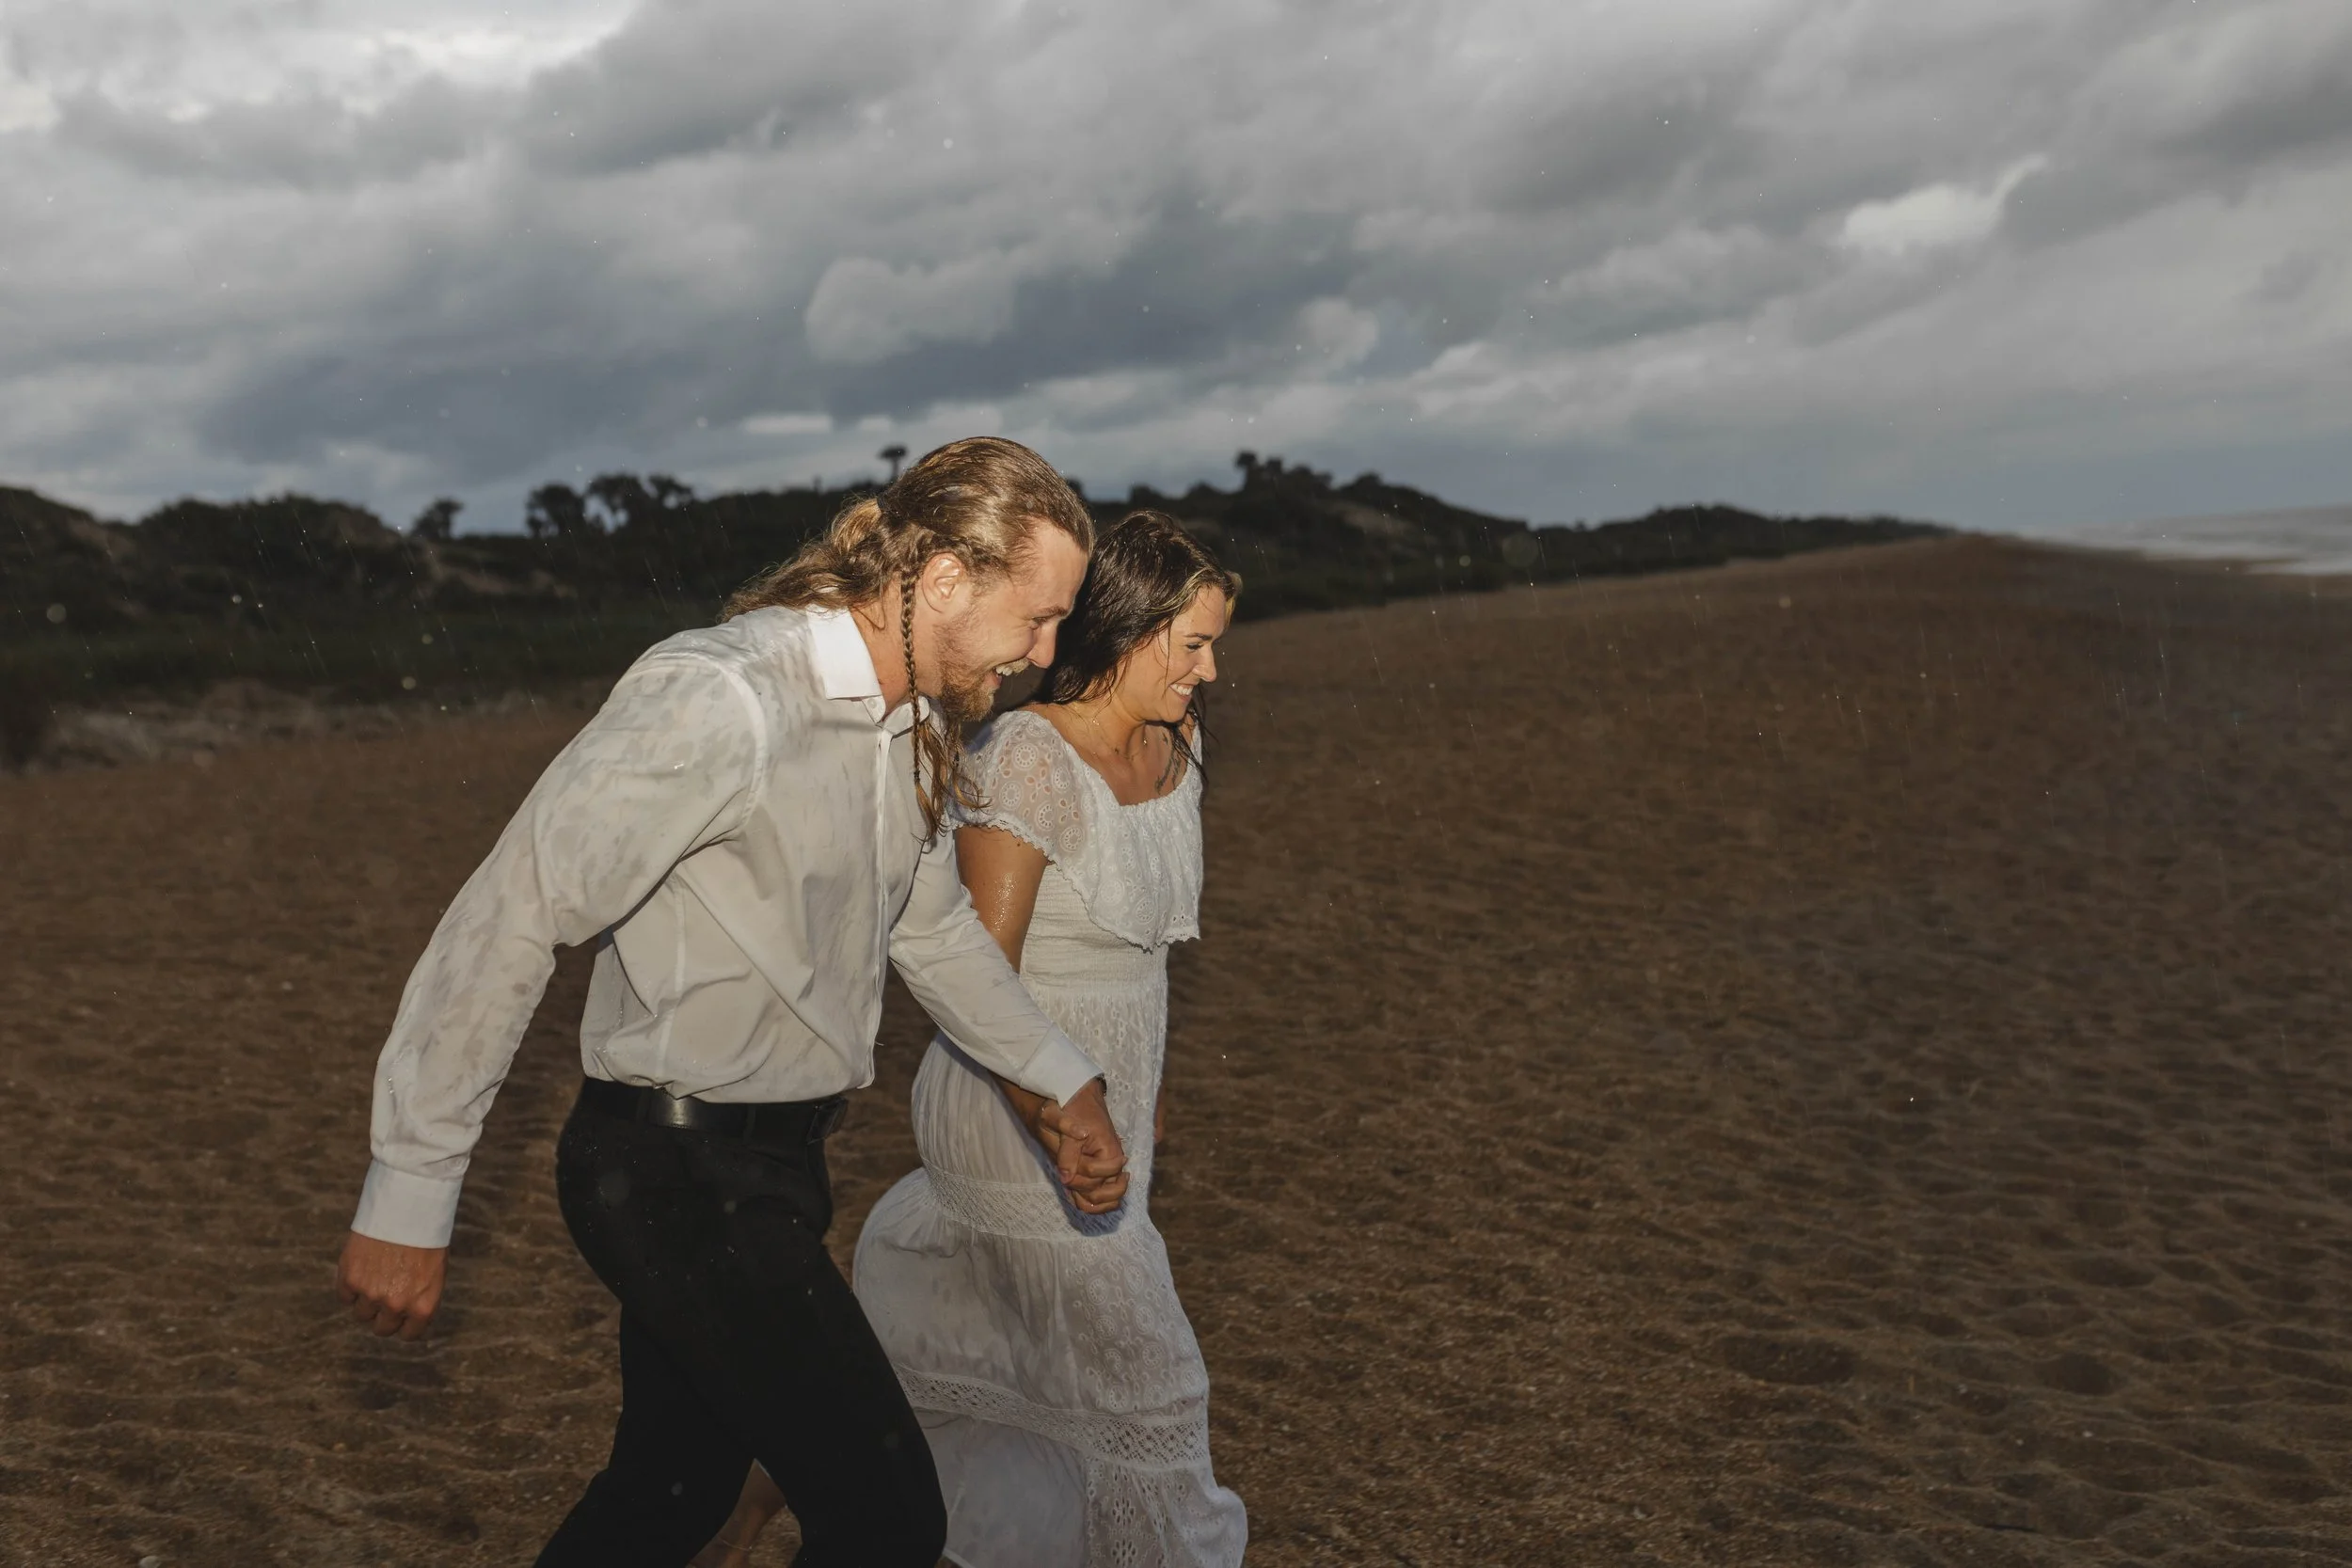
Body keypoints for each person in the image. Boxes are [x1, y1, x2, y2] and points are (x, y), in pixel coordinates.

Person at [333, 436, 1134, 1568]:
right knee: (888, 1519)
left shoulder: (911, 727)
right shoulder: (725, 696)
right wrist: (410, 1190)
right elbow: (511, 913)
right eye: (1037, 617)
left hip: (772, 1170)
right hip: (670, 1174)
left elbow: (931, 928)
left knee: (667, 1493)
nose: (1043, 654)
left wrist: (1056, 1079)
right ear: (948, 578)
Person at [701, 511, 1248, 1567]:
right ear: (1129, 630)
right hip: (1011, 1107)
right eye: (1192, 643)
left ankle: (751, 1499)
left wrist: (1145, 1093)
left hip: (1105, 1105)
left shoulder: (1176, 748)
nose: (1210, 670)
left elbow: (1145, 962)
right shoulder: (1029, 760)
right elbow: (977, 977)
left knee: (953, 1368)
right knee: (1155, 1394)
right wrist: (1053, 1108)